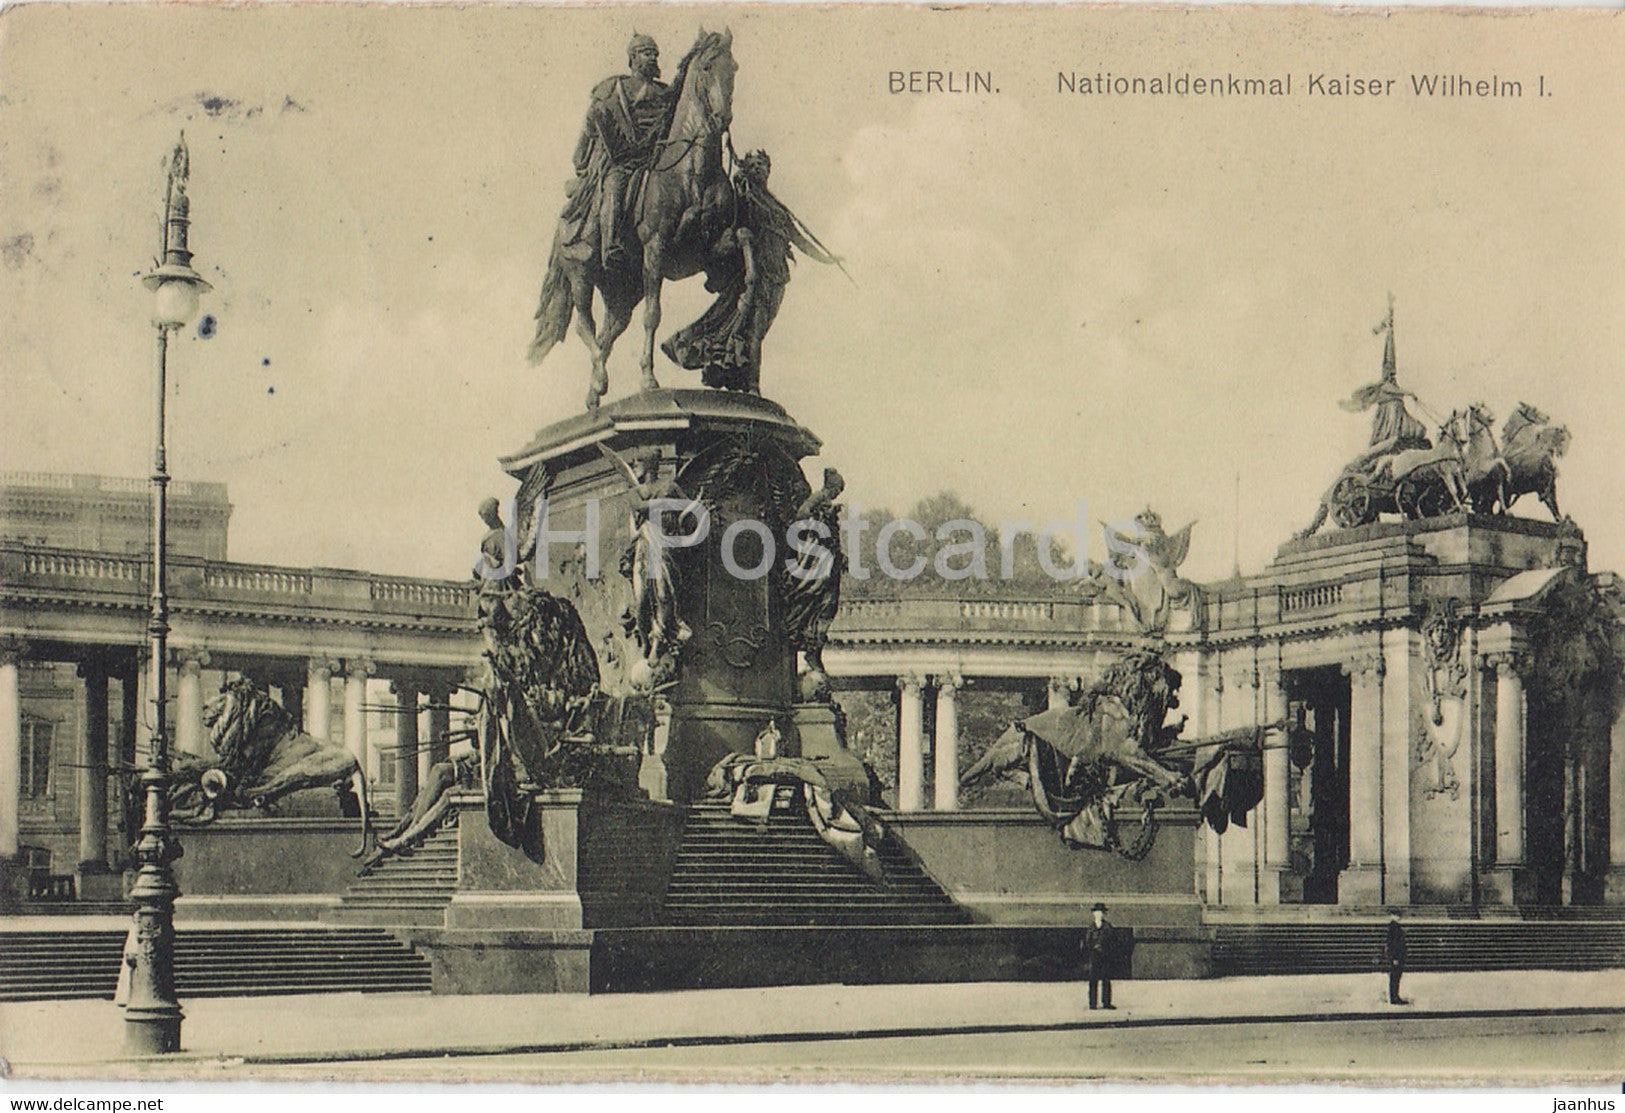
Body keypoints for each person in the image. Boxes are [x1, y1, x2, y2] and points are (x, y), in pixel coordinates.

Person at [569, 33, 674, 269]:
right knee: (615, 188)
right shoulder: (614, 88)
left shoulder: (666, 94)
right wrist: (580, 157)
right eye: (647, 53)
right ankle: (611, 244)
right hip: (624, 162)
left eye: (655, 54)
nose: (652, 58)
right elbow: (591, 124)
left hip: (657, 161)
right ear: (633, 57)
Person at [1082, 901, 1116, 1010]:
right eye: (1097, 912)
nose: (1098, 914)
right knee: (1093, 980)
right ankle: (1093, 1003)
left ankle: (1106, 1002)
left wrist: (1106, 950)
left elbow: (1112, 940)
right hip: (1094, 956)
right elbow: (1087, 941)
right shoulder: (1091, 928)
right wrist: (1093, 947)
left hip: (1105, 955)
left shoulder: (1107, 927)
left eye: (1100, 912)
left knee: (1106, 979)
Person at [1384, 916, 1408, 1005]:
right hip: (1396, 958)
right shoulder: (1393, 928)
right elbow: (1393, 944)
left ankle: (1395, 996)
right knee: (1395, 978)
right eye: (1397, 916)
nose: (1399, 917)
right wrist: (1395, 958)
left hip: (1398, 957)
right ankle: (1394, 997)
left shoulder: (1395, 927)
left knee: (1396, 978)